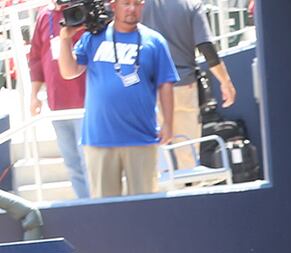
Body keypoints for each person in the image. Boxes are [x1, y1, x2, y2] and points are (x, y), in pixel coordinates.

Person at [54, 0, 178, 198]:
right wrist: (65, 40)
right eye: (126, 3)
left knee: (144, 207)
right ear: (114, 6)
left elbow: (166, 83)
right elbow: (68, 72)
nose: (131, 9)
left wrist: (168, 124)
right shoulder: (93, 38)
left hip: (141, 137)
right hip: (99, 138)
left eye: (137, 4)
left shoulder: (155, 41)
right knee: (104, 212)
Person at [141, 0, 238, 171]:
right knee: (188, 155)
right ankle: (187, 194)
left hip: (150, 89)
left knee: (155, 158)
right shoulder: (191, 4)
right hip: (183, 87)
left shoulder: (137, 5)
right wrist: (225, 81)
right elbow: (206, 48)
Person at [28, 3, 90, 200]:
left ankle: (99, 206)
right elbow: (36, 57)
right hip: (57, 104)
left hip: (85, 103)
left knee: (88, 161)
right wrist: (34, 94)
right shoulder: (44, 15)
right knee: (72, 163)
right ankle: (85, 205)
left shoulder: (84, 9)